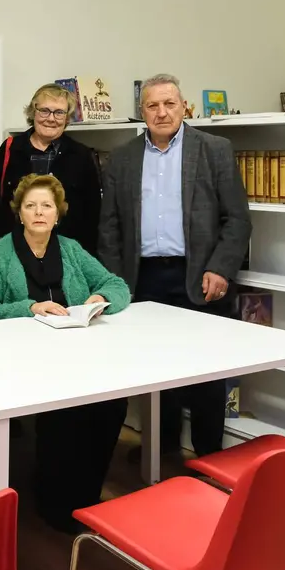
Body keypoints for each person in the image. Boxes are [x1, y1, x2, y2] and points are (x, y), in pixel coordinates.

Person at [98, 72, 252, 461]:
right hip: (144, 280)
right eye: (153, 105)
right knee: (155, 374)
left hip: (200, 276)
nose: (162, 112)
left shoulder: (214, 149)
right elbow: (110, 227)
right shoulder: (123, 158)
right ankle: (161, 456)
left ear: (184, 106)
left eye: (170, 103)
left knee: (207, 376)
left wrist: (220, 268)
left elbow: (237, 218)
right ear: (142, 111)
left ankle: (208, 460)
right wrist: (117, 282)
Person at [0, 173, 131, 533]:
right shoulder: (0, 253)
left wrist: (101, 299)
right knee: (63, 413)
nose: (39, 212)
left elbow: (116, 284)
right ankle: (55, 502)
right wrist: (29, 308)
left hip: (74, 352)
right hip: (20, 358)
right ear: (19, 213)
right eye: (31, 206)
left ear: (58, 213)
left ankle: (87, 496)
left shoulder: (71, 248)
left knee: (112, 404)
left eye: (47, 206)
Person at [0, 83, 102, 261]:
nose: (51, 118)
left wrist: (83, 263)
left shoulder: (82, 156)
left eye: (59, 112)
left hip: (65, 260)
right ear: (33, 112)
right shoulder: (11, 149)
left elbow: (93, 217)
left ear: (67, 118)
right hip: (12, 258)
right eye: (44, 111)